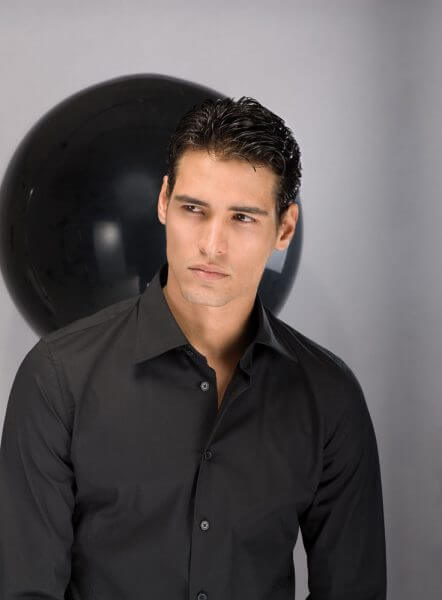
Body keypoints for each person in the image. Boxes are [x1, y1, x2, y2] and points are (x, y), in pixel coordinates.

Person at [0, 96, 387, 599]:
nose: (211, 244)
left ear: (284, 228)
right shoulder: (57, 379)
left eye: (242, 218)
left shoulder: (330, 396)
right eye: (193, 209)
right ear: (164, 201)